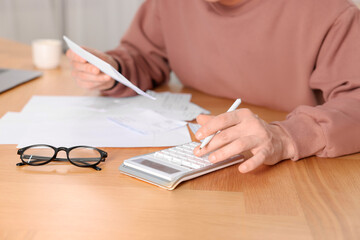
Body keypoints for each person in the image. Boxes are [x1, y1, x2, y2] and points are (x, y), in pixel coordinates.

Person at [66, 0, 360, 173]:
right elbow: (144, 56)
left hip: (302, 172)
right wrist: (114, 69)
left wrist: (284, 136)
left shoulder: (331, 14)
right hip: (197, 156)